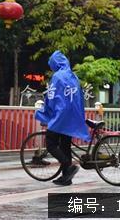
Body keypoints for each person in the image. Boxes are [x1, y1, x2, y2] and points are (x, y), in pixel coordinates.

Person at [35, 50, 90, 186]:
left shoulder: (57, 77)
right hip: (73, 115)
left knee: (51, 143)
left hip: (61, 115)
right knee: (65, 145)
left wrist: (46, 111)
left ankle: (68, 165)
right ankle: (66, 177)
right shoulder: (73, 76)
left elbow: (52, 97)